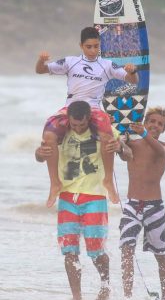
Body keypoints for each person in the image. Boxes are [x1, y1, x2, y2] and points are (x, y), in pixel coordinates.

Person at [35, 26, 138, 207]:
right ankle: (55, 183)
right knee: (49, 134)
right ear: (81, 45)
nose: (92, 50)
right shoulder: (70, 62)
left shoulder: (107, 65)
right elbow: (41, 70)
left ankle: (108, 180)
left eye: (96, 46)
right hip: (71, 107)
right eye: (88, 46)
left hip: (93, 109)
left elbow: (132, 81)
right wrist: (41, 61)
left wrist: (132, 72)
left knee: (107, 132)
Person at [35, 100, 120, 300]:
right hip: (67, 197)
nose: (78, 128)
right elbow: (40, 155)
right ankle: (77, 298)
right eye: (75, 125)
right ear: (69, 121)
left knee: (95, 249)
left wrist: (121, 146)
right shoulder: (61, 132)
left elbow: (126, 153)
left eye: (82, 125)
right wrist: (39, 154)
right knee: (69, 250)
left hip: (95, 196)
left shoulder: (102, 130)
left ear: (88, 119)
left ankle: (105, 286)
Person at [107, 106, 165, 300]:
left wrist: (143, 134)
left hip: (155, 208)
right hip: (132, 206)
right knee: (127, 250)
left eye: (160, 124)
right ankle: (127, 297)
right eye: (151, 121)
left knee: (161, 255)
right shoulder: (134, 145)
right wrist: (121, 142)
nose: (155, 126)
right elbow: (125, 153)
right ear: (144, 122)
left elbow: (161, 151)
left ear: (163, 129)